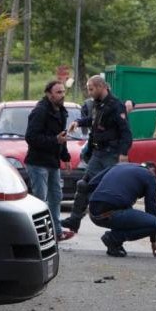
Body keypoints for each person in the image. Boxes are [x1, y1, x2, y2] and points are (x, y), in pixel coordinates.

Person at [62, 74, 132, 234]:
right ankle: (74, 220)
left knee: (115, 190)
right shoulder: (96, 104)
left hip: (111, 155)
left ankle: (123, 226)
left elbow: (126, 132)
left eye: (91, 89)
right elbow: (92, 120)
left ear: (101, 87)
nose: (89, 92)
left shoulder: (116, 106)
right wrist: (78, 122)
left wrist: (123, 153)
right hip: (97, 153)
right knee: (83, 185)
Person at [85, 161, 156, 258]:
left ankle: (114, 246)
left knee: (126, 209)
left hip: (93, 213)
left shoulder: (119, 165)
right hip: (111, 214)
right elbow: (152, 209)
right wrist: (153, 241)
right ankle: (113, 238)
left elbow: (90, 184)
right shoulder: (150, 176)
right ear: (153, 172)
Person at [23, 80, 71, 239]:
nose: (62, 95)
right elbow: (31, 137)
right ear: (49, 94)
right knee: (40, 200)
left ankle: (57, 232)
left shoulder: (61, 111)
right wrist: (54, 141)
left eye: (63, 92)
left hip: (53, 161)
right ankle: (38, 234)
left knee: (56, 197)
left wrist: (65, 156)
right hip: (37, 163)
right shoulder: (40, 111)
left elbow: (61, 137)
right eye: (58, 92)